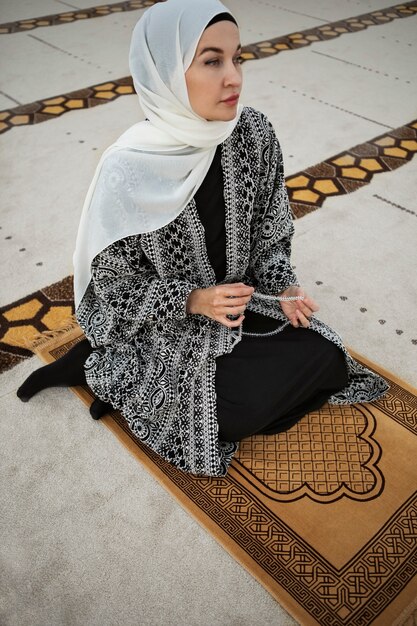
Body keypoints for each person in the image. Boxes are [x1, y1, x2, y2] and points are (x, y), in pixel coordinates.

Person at [17, 0, 388, 476]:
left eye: (237, 58)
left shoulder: (252, 133)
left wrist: (285, 288)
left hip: (239, 308)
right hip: (166, 328)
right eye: (212, 61)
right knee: (235, 412)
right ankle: (100, 365)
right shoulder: (127, 169)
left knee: (330, 359)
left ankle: (127, 384)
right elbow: (107, 293)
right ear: (167, 71)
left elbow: (271, 234)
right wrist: (191, 300)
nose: (233, 77)